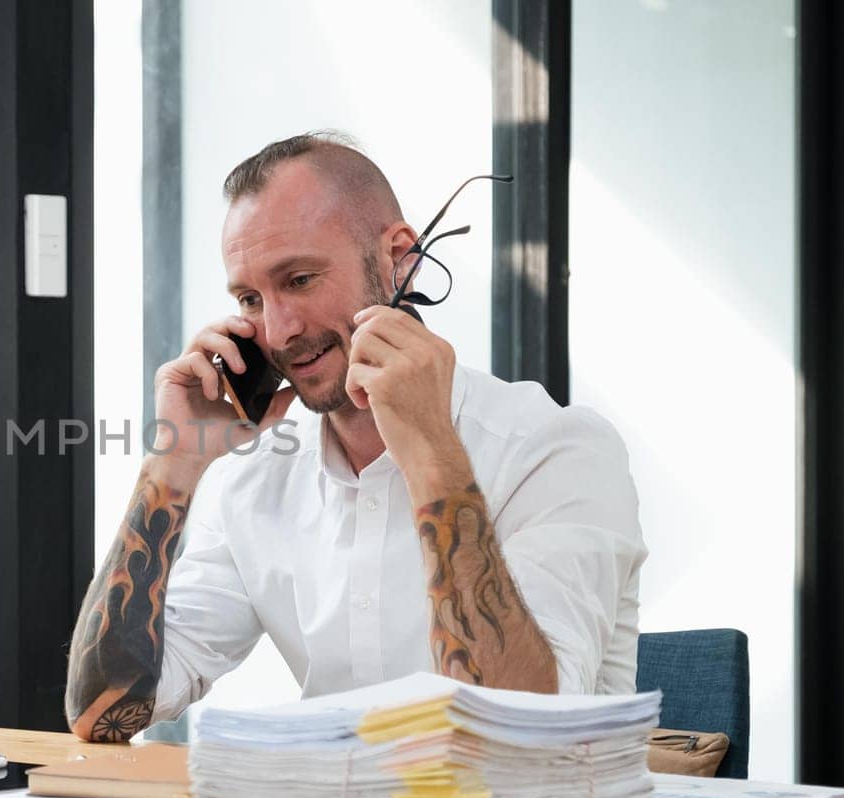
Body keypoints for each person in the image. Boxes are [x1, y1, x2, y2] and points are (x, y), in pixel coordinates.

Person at [64, 131, 645, 743]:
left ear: (402, 258)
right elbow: (102, 713)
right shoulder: (256, 481)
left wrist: (429, 451)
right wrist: (171, 467)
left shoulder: (557, 450)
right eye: (250, 298)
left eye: (301, 279)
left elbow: (524, 731)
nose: (280, 330)